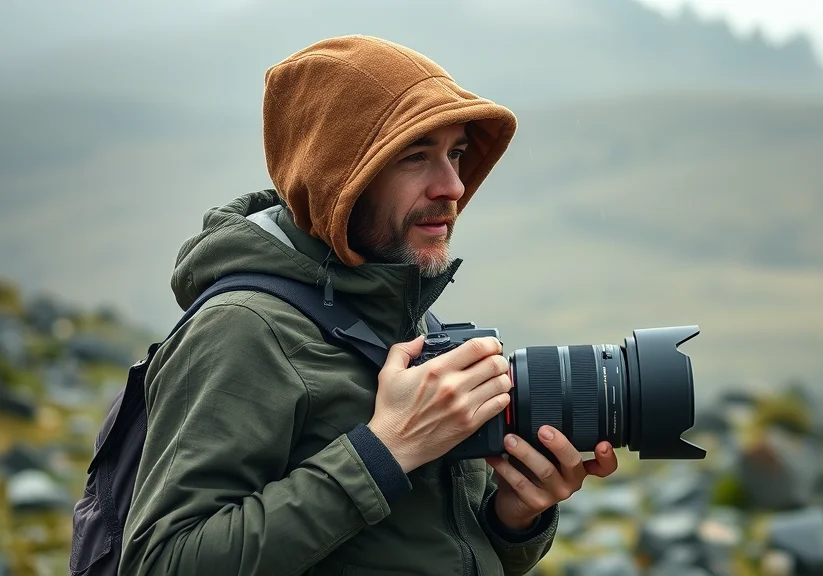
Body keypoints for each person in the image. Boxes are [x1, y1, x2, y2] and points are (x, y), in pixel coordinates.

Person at [120, 35, 619, 576]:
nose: (452, 186)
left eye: (455, 153)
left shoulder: (398, 319)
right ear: (342, 177)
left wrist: (512, 519)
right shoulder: (242, 329)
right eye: (415, 157)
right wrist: (386, 450)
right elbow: (161, 561)